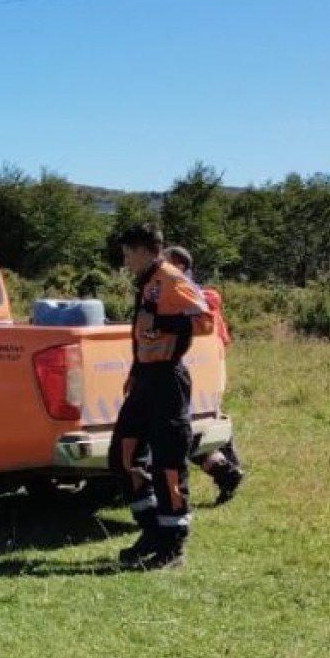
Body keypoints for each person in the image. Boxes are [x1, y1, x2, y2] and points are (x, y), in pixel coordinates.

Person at [111, 225, 215, 570]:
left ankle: (173, 543)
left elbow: (204, 321)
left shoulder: (171, 278)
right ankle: (152, 528)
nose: (125, 261)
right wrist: (134, 371)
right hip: (144, 379)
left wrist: (163, 321)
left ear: (144, 250)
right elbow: (142, 331)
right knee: (122, 456)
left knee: (168, 463)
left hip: (168, 381)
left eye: (128, 253)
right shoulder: (146, 280)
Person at [162, 245, 245, 505]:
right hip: (203, 369)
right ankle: (226, 469)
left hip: (192, 369)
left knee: (183, 427)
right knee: (201, 421)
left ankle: (226, 469)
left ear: (182, 268)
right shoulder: (200, 296)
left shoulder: (189, 297)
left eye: (167, 264)